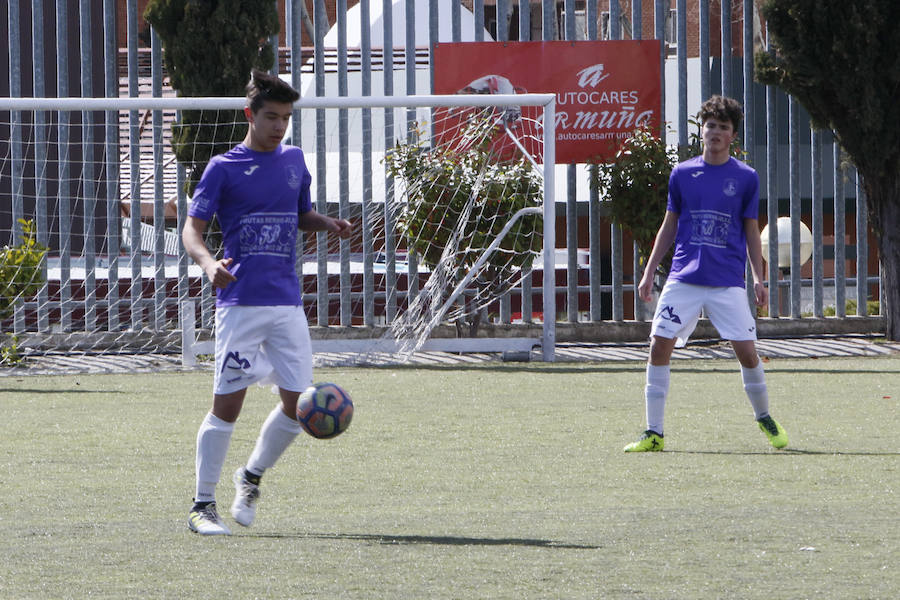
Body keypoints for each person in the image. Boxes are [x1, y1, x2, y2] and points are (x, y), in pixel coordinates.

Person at [182, 70, 352, 535]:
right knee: (227, 407)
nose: (279, 126)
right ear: (250, 116)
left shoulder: (295, 161)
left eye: (286, 118)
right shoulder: (223, 168)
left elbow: (299, 216)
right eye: (272, 117)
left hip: (286, 303)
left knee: (301, 405)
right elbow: (191, 231)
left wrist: (327, 223)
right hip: (240, 304)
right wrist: (208, 264)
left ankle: (251, 476)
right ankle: (202, 506)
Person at [623, 95, 788, 452]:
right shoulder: (682, 173)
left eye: (722, 127)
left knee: (746, 352)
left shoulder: (745, 178)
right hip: (683, 277)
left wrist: (758, 278)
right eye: (709, 125)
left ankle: (764, 417)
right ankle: (654, 432)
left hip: (727, 281)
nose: (714, 132)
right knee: (659, 345)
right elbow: (669, 226)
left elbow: (750, 230)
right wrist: (650, 270)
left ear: (732, 136)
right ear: (702, 130)